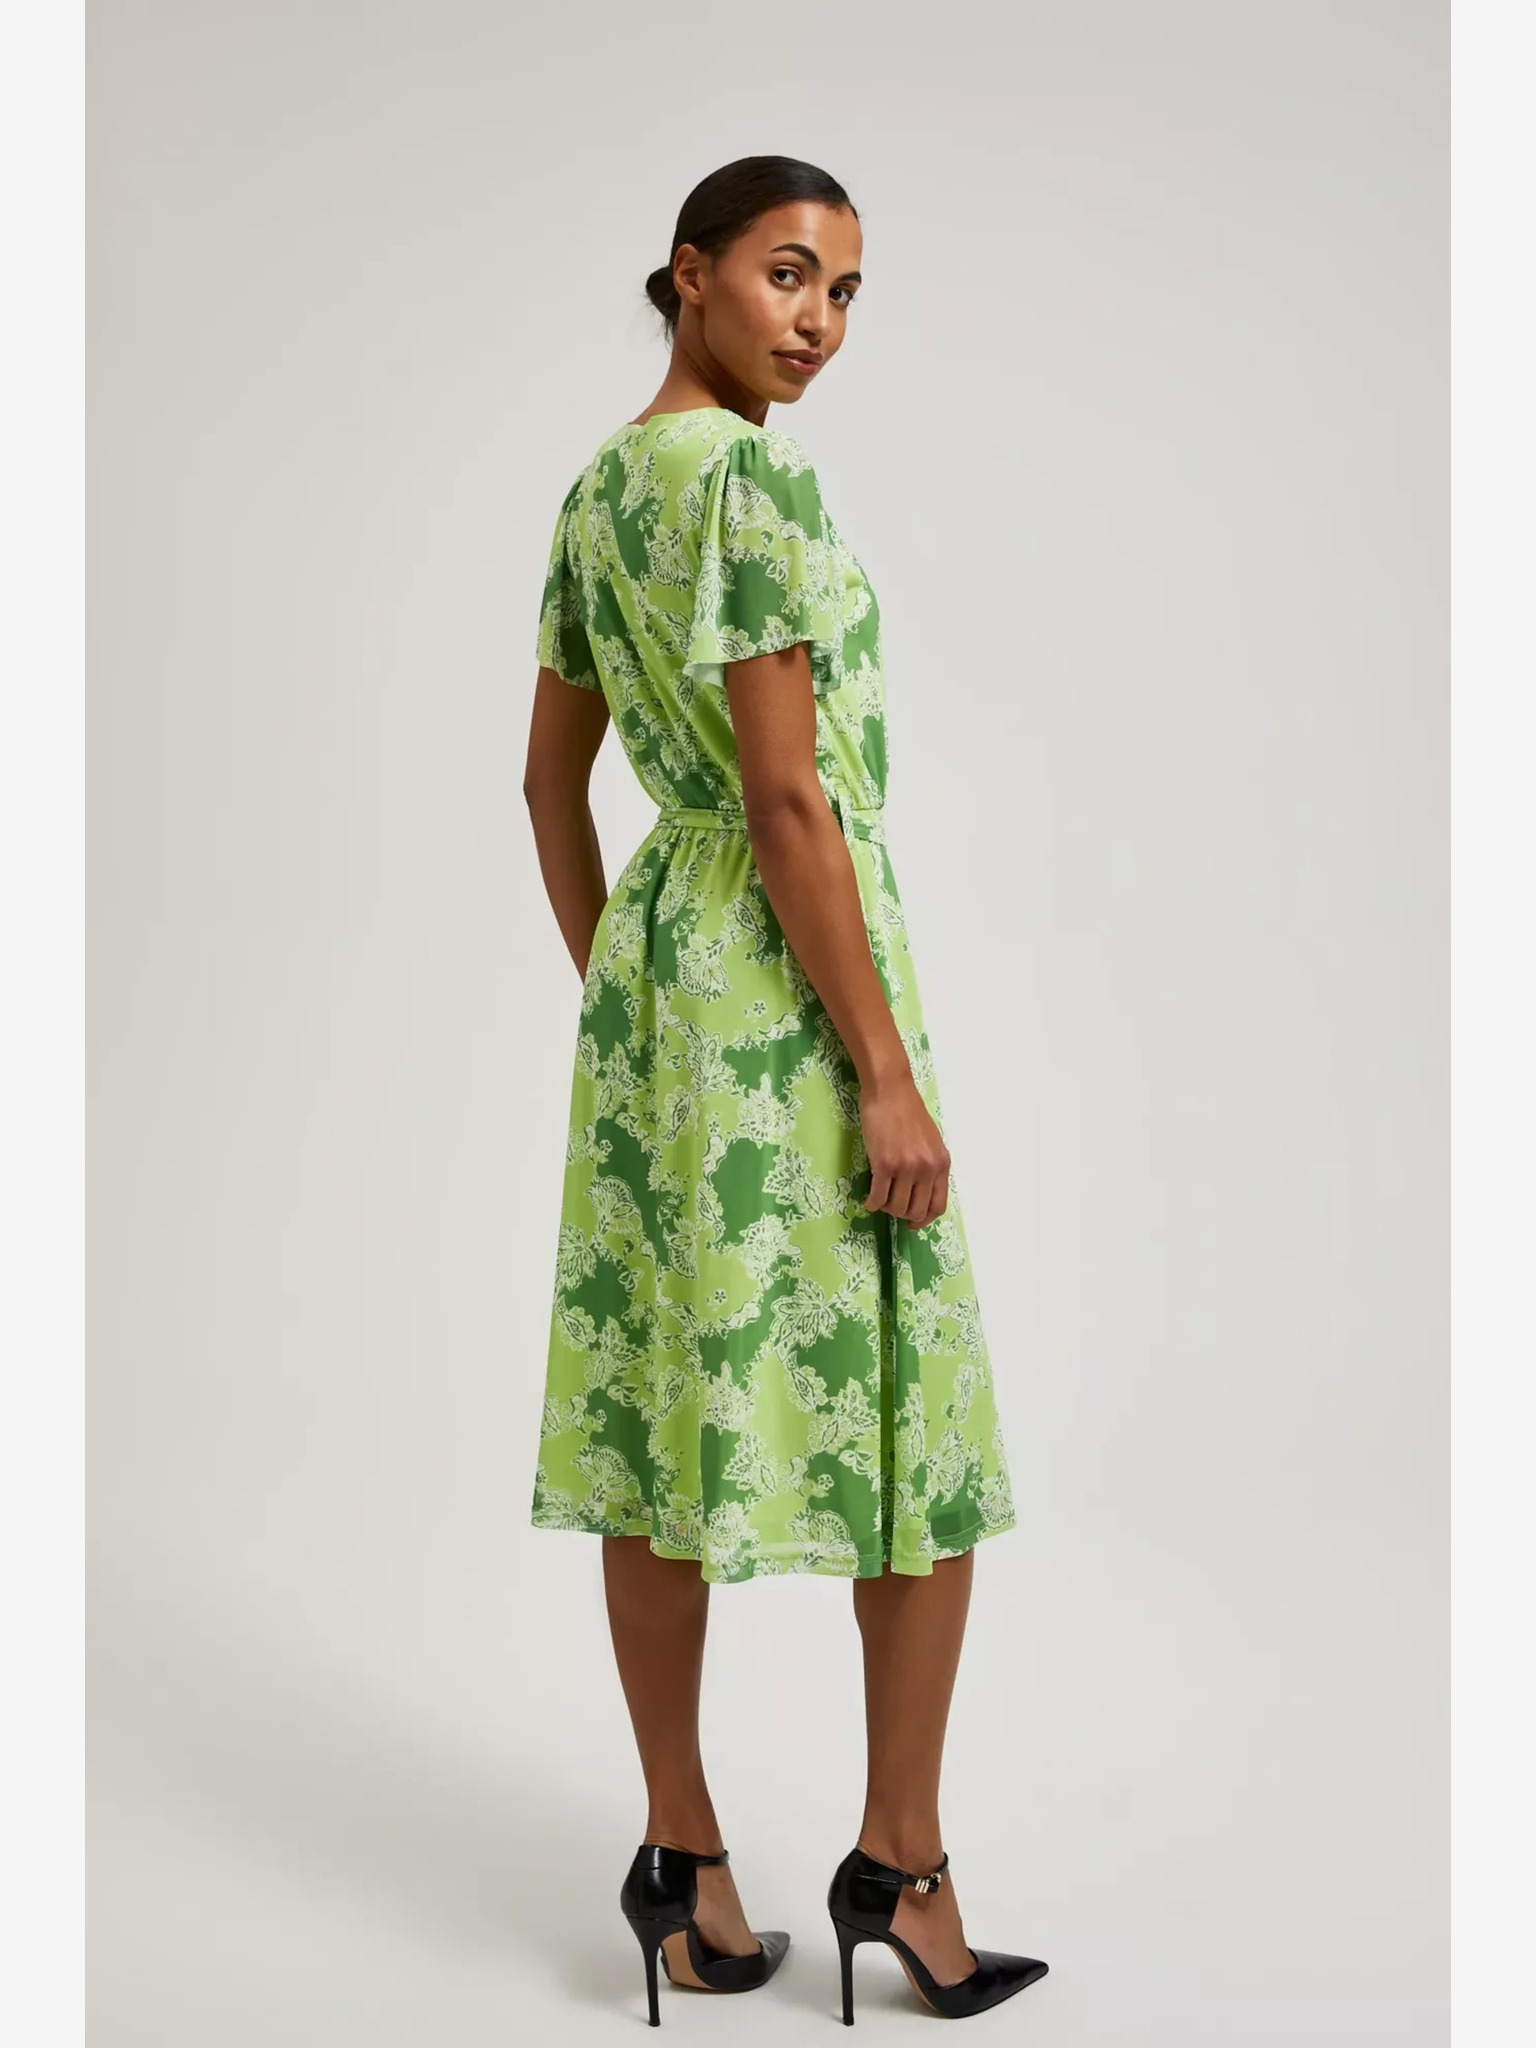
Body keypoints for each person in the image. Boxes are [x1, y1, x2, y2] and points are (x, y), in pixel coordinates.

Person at [521, 155, 1047, 2025]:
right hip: (800, 1003)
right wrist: (882, 1074)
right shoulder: (747, 482)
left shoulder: (600, 490)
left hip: (671, 1013)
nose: (817, 321)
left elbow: (548, 784)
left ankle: (685, 1861)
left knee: (656, 1416)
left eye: (844, 292)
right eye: (786, 275)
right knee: (918, 1432)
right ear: (690, 275)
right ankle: (901, 1863)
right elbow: (787, 795)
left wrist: (629, 998)